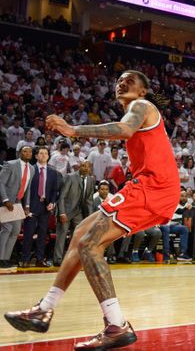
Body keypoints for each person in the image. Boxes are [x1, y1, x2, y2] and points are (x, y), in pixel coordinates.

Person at [4, 70, 180, 350]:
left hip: (153, 187)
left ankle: (116, 325)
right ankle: (44, 309)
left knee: (88, 244)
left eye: (130, 80)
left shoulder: (142, 106)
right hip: (150, 187)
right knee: (80, 234)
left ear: (144, 91)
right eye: (119, 80)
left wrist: (74, 130)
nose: (122, 82)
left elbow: (124, 130)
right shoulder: (139, 110)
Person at [20, 147, 60, 267]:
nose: (43, 155)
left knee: (43, 234)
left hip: (45, 207)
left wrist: (52, 202)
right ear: (36, 156)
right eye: (41, 153)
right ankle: (25, 259)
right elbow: (25, 188)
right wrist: (25, 205)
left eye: (46, 153)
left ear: (48, 156)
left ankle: (39, 259)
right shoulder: (30, 169)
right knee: (28, 233)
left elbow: (54, 190)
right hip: (31, 205)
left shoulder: (53, 172)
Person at [53, 161, 95, 266]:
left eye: (88, 167)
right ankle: (57, 259)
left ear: (90, 169)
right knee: (61, 235)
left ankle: (73, 258)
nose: (86, 168)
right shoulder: (70, 177)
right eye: (83, 166)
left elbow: (89, 200)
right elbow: (62, 196)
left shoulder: (90, 180)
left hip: (79, 212)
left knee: (78, 236)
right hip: (66, 211)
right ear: (79, 167)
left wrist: (90, 217)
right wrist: (62, 213)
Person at [0, 145, 33, 272]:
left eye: (30, 151)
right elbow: (1, 182)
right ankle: (0, 259)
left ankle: (5, 259)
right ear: (20, 153)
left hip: (18, 203)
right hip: (6, 202)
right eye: (25, 151)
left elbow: (28, 189)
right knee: (7, 229)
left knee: (15, 231)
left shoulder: (31, 168)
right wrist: (5, 200)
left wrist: (27, 206)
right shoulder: (10, 164)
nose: (28, 153)